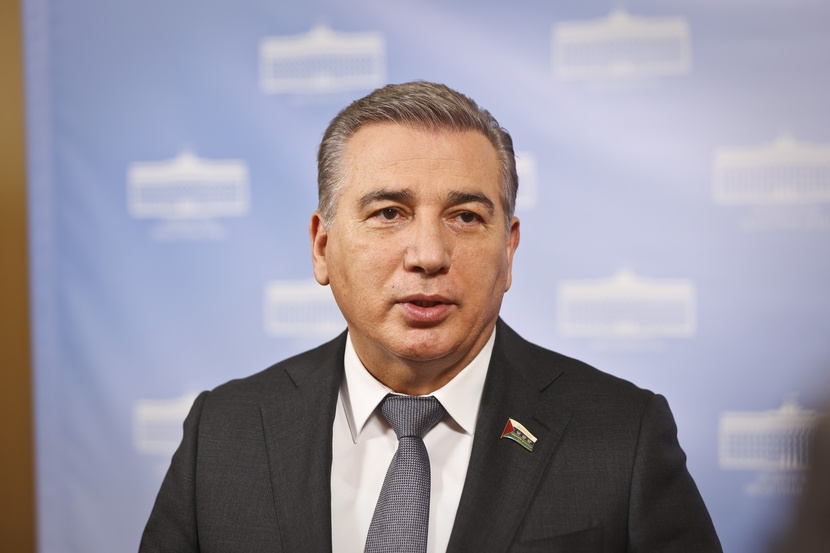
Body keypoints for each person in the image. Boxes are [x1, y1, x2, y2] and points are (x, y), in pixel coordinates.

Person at [140, 81, 722, 552]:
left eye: (465, 217)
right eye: (389, 212)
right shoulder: (225, 433)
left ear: (509, 249)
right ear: (322, 247)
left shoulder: (624, 436)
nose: (428, 255)